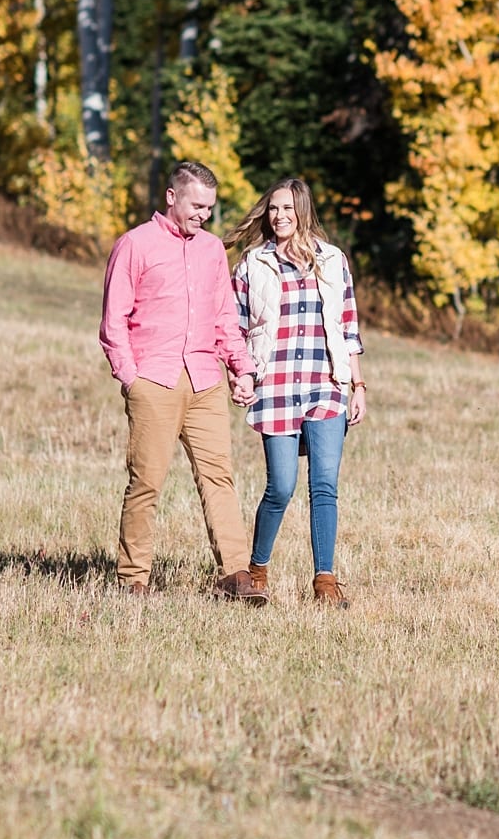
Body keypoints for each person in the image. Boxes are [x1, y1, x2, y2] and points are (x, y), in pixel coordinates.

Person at [98, 160, 267, 603]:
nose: (204, 215)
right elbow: (113, 320)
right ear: (172, 197)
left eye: (209, 208)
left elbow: (225, 317)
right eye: (197, 205)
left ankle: (235, 575)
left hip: (206, 379)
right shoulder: (135, 245)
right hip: (154, 379)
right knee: (147, 481)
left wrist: (241, 368)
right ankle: (133, 578)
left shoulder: (212, 250)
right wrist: (131, 377)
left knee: (219, 478)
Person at [226, 178, 366, 609]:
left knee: (324, 485)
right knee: (281, 486)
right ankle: (257, 571)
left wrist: (357, 385)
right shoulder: (254, 264)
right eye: (273, 209)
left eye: (287, 208)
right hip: (276, 387)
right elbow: (236, 327)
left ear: (303, 210)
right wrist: (241, 374)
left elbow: (348, 327)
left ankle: (325, 580)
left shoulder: (332, 260)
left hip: (325, 385)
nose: (279, 216)